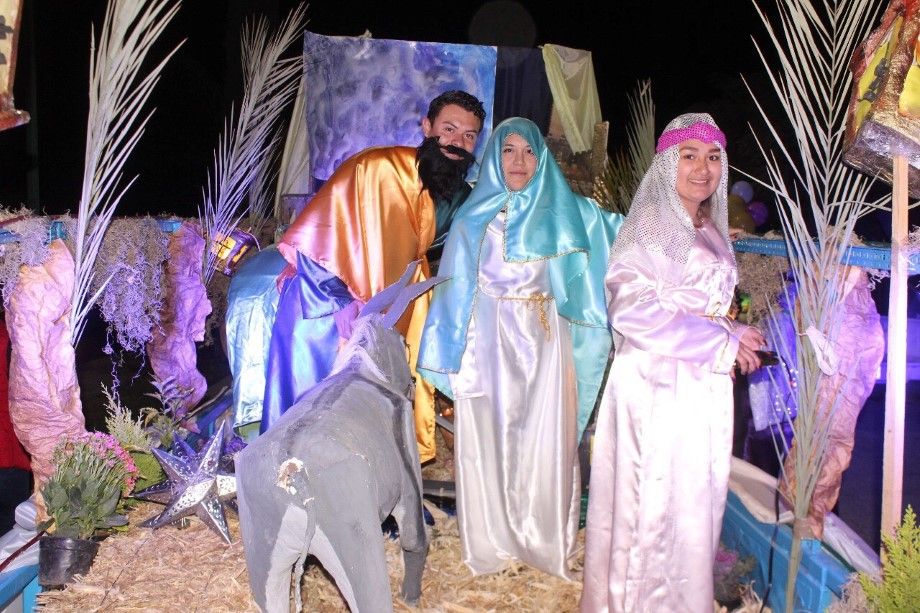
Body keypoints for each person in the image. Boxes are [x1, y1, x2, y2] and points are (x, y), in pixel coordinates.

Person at [418, 117, 623, 580]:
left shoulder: (570, 211)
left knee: (544, 439)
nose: (519, 161)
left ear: (541, 159)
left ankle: (542, 538)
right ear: (494, 157)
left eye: (529, 151)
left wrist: (692, 230)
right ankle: (492, 540)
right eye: (508, 150)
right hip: (488, 348)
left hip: (546, 346)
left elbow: (629, 234)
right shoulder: (472, 218)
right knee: (489, 440)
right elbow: (455, 293)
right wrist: (456, 355)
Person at [580, 113, 765, 612]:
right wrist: (719, 345)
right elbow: (631, 309)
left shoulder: (704, 225)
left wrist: (733, 331)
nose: (703, 168)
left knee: (689, 503)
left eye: (713, 157)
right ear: (667, 164)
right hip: (658, 383)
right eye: (689, 156)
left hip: (696, 383)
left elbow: (695, 302)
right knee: (654, 505)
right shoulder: (655, 224)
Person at [260, 90, 486, 464]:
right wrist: (342, 304)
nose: (457, 142)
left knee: (365, 438)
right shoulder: (376, 166)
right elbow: (315, 236)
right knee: (304, 431)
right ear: (427, 127)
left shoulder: (458, 195)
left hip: (388, 321)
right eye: (449, 129)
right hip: (324, 309)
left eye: (469, 135)